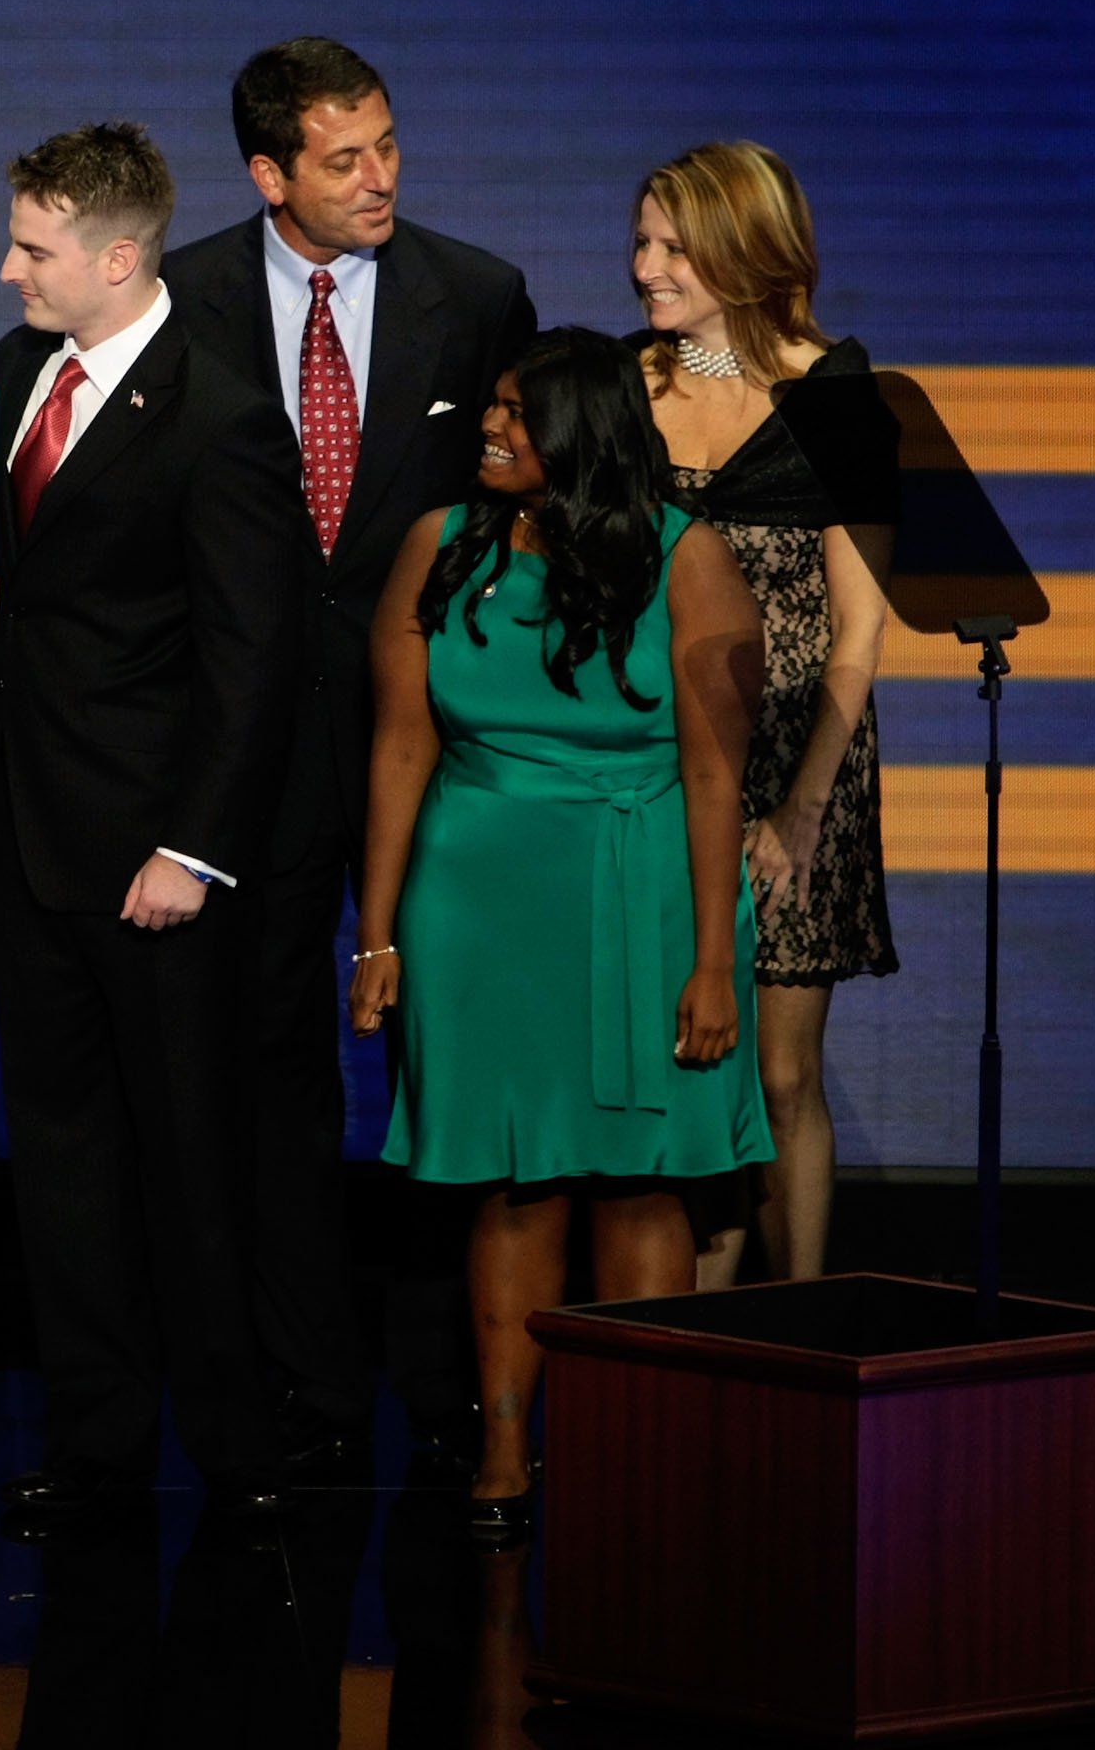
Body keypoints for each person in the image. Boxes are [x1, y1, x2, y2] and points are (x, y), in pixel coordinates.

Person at [163, 36, 537, 1478]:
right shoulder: (183, 301)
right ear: (270, 175)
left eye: (386, 144)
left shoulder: (479, 297)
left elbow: (509, 521)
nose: (379, 177)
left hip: (430, 755)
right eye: (343, 158)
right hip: (244, 754)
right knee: (269, 1069)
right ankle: (298, 1376)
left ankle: (444, 1377)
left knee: (444, 1069)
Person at [346, 328, 772, 1540]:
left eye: (517, 413)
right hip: (480, 908)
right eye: (490, 403)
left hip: (642, 895)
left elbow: (709, 775)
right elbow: (399, 748)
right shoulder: (441, 548)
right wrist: (373, 932)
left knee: (642, 1186)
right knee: (514, 1184)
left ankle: (637, 1442)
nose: (490, 426)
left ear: (580, 438)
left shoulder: (689, 561)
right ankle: (504, 1444)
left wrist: (707, 959)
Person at [0, 122, 309, 1523]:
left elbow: (257, 657)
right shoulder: (18, 373)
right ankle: (98, 1441)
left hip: (156, 866)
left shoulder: (222, 415)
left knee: (189, 1159)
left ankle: (235, 1447)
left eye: (34, 251)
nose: (6, 274)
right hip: (39, 850)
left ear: (120, 258)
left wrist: (192, 849)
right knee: (63, 1159)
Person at [630, 142, 901, 1287]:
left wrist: (798, 809)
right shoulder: (636, 385)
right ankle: (698, 1347)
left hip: (803, 760)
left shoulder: (835, 392)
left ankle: (803, 1328)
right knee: (701, 1068)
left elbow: (860, 631)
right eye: (640, 241)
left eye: (673, 246)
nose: (646, 267)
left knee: (784, 1075)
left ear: (744, 250)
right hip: (667, 754)